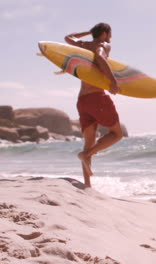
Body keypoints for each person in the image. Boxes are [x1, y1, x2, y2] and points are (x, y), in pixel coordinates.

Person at [65, 23, 123, 187]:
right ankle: (86, 155)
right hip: (97, 97)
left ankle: (88, 185)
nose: (111, 36)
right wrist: (113, 81)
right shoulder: (103, 45)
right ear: (105, 33)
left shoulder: (85, 44)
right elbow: (99, 56)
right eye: (110, 33)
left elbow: (68, 38)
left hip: (82, 101)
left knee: (89, 142)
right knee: (117, 134)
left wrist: (87, 32)